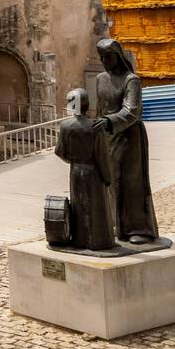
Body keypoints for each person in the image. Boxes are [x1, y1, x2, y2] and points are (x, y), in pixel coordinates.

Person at [92, 37, 159, 244]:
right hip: (108, 137)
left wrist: (109, 121)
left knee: (131, 184)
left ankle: (137, 228)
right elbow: (100, 108)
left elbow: (132, 111)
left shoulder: (132, 80)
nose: (104, 61)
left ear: (118, 56)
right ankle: (114, 225)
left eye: (108, 57)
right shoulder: (100, 79)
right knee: (110, 182)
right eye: (101, 57)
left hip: (130, 138)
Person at [54, 88, 116, 252]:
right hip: (94, 172)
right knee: (97, 207)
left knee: (79, 206)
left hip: (76, 171)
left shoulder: (66, 125)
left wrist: (73, 161)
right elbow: (101, 155)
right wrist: (107, 176)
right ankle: (99, 241)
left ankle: (81, 240)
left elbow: (59, 151)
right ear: (87, 105)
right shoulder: (95, 126)